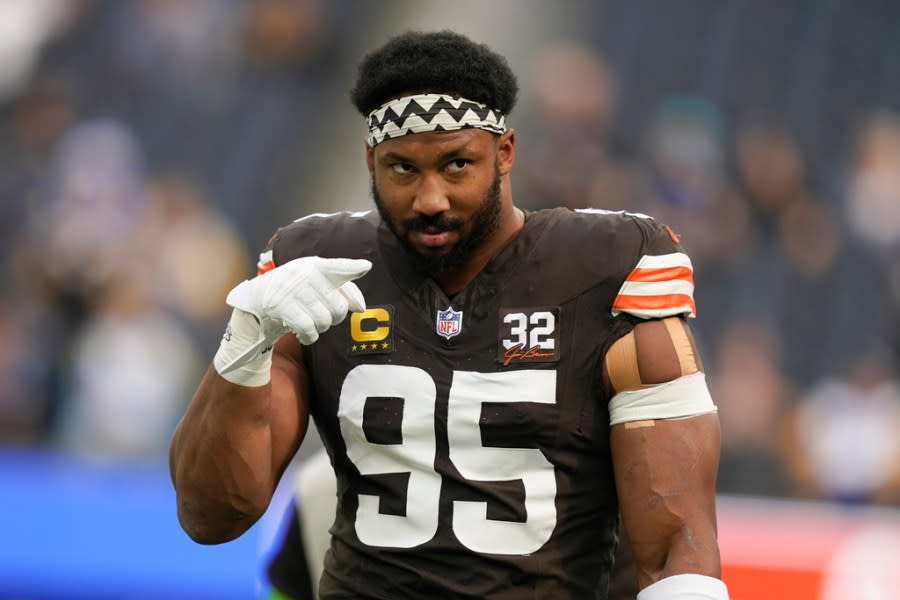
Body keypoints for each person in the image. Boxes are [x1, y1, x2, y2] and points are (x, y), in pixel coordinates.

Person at [169, 30, 728, 599]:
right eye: (403, 169)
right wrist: (245, 342)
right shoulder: (317, 265)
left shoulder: (607, 267)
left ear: (504, 152)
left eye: (457, 165)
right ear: (370, 161)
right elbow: (211, 516)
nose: (430, 198)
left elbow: (676, 540)